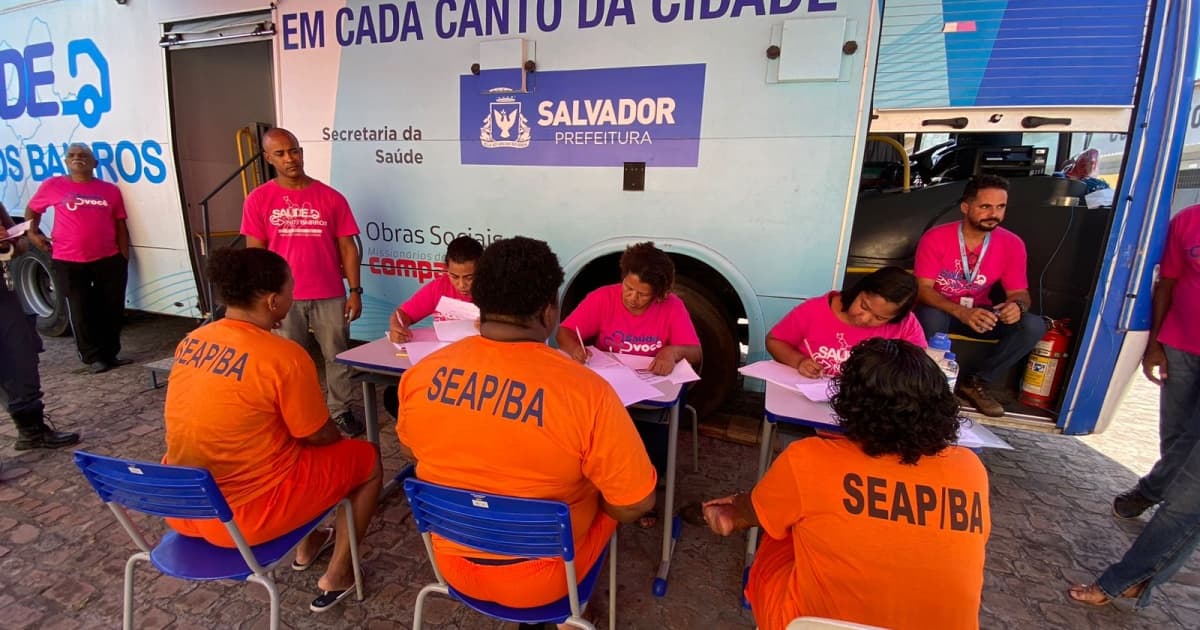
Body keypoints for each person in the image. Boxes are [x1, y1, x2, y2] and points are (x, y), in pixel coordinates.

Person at [396, 236, 656, 611]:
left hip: (451, 566)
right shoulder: (589, 393)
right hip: (547, 581)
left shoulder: (421, 375)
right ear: (549, 311)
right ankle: (577, 616)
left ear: (478, 303)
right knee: (606, 498)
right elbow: (636, 503)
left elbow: (410, 449)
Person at [702, 338, 991, 630]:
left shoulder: (809, 458)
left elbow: (748, 513)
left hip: (809, 624)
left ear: (850, 403)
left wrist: (732, 510)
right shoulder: (970, 469)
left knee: (780, 534)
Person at [162, 247, 380, 613]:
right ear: (274, 300)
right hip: (240, 519)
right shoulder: (284, 356)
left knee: (284, 445)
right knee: (367, 459)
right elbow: (317, 434)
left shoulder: (191, 341)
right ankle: (340, 573)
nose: (294, 295)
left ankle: (309, 544)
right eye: (292, 288)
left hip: (184, 505)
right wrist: (335, 443)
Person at [1067, 204, 1200, 608]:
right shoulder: (1190, 219)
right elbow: (1168, 282)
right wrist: (1155, 342)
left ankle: (1125, 578)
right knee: (1178, 447)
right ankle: (1150, 492)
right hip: (1183, 343)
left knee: (1189, 495)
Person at [555, 241, 702, 527]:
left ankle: (644, 492)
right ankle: (595, 486)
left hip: (654, 391)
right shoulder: (603, 298)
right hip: (610, 387)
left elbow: (695, 351)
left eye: (642, 294)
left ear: (659, 295)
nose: (632, 298)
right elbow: (565, 332)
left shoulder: (672, 307)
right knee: (586, 427)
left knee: (650, 434)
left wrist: (672, 352)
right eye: (628, 288)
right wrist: (575, 349)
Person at [241, 128, 365, 437]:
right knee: (287, 362)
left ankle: (340, 411)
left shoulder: (331, 197)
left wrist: (355, 291)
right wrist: (261, 296)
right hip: (282, 299)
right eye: (280, 154)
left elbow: (348, 248)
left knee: (337, 356)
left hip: (330, 293)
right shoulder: (259, 200)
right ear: (268, 159)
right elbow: (254, 253)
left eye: (293, 150)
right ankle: (296, 415)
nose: (290, 158)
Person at [913, 174, 1047, 417]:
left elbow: (1020, 293)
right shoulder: (936, 237)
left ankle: (976, 382)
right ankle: (930, 386)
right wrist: (961, 312)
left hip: (981, 314)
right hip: (943, 310)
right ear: (966, 207)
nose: (993, 214)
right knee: (930, 316)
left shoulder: (1012, 244)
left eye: (1000, 207)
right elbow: (923, 289)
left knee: (1032, 325)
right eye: (985, 206)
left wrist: (1016, 306)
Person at [24, 143, 131, 374]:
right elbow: (33, 210)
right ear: (66, 162)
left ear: (95, 163)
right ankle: (92, 358)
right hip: (69, 260)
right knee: (80, 308)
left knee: (112, 307)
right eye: (71, 155)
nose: (77, 158)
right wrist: (33, 233)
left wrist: (124, 256)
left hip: (109, 258)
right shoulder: (53, 186)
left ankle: (111, 354)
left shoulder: (110, 190)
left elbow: (120, 223)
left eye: (83, 155)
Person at [0, 208, 80, 451]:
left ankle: (32, 431)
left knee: (21, 358)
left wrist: (10, 242)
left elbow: (21, 245)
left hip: (3, 298)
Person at [767, 266, 927, 378]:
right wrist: (799, 361)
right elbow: (775, 341)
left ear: (896, 317)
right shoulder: (814, 310)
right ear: (859, 289)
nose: (864, 318)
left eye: (880, 318)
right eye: (864, 305)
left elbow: (916, 367)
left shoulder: (906, 325)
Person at [387, 235, 483, 343]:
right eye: (454, 276)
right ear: (446, 269)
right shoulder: (439, 287)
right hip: (446, 354)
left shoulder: (496, 291)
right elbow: (403, 314)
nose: (461, 285)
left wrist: (493, 327)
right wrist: (397, 328)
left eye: (469, 277)